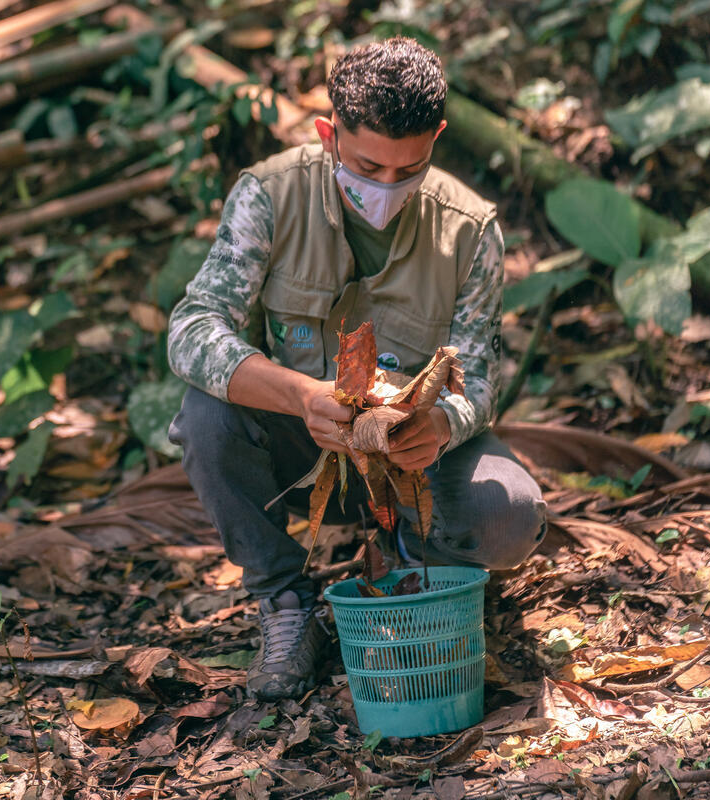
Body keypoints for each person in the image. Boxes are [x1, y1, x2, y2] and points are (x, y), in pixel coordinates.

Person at [166, 37, 547, 701]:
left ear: (438, 139)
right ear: (328, 133)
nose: (389, 188)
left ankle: (423, 579)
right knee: (206, 417)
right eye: (369, 166)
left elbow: (479, 376)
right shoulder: (268, 197)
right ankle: (286, 604)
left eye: (412, 169)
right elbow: (192, 331)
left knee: (506, 511)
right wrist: (300, 396)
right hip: (303, 444)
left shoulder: (471, 230)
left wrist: (447, 422)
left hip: (414, 458)